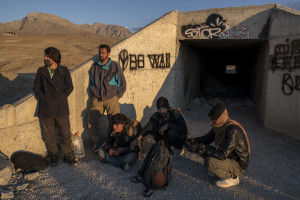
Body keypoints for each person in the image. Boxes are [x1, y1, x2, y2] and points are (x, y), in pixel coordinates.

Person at [186, 101, 250, 188]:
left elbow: (223, 154)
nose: (210, 123)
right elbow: (207, 139)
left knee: (208, 161)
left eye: (213, 120)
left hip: (238, 163)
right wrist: (192, 141)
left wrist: (200, 148)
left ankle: (233, 177)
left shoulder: (232, 130)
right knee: (202, 148)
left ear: (220, 118)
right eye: (210, 119)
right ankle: (220, 170)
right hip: (228, 157)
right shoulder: (220, 125)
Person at [33, 47, 77, 166]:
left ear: (54, 58)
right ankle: (54, 155)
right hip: (46, 108)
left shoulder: (64, 70)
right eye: (45, 56)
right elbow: (36, 88)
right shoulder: (41, 71)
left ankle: (68, 154)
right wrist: (43, 98)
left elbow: (70, 87)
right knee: (49, 135)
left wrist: (62, 97)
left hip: (61, 107)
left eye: (47, 56)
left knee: (65, 133)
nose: (45, 58)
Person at [87, 44, 126, 153]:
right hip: (97, 98)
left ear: (108, 54)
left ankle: (114, 143)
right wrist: (94, 92)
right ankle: (98, 143)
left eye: (103, 53)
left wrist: (117, 97)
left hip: (111, 98)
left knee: (115, 123)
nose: (100, 54)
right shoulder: (95, 66)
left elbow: (122, 83)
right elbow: (91, 83)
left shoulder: (114, 66)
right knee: (92, 120)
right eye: (99, 52)